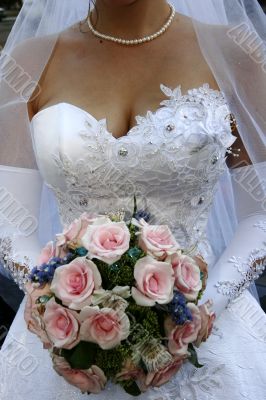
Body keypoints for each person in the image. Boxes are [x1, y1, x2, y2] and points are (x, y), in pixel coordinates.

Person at [0, 1, 265, 399]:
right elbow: (10, 222)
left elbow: (260, 213)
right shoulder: (29, 62)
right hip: (67, 342)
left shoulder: (233, 52)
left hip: (210, 336)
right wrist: (56, 300)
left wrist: (197, 312)